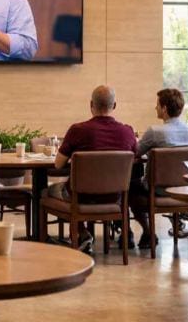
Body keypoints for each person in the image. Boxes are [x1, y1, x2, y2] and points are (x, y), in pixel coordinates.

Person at [49, 85, 138, 251]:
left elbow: (58, 164)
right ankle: (121, 231)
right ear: (114, 105)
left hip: (81, 196)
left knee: (47, 192)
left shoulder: (77, 130)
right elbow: (135, 160)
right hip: (115, 198)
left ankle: (82, 234)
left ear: (91, 104)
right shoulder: (127, 132)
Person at [133, 88, 188, 248]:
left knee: (130, 189)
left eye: (157, 104)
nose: (155, 107)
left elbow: (135, 152)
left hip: (158, 190)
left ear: (164, 108)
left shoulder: (154, 132)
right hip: (184, 189)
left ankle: (148, 232)